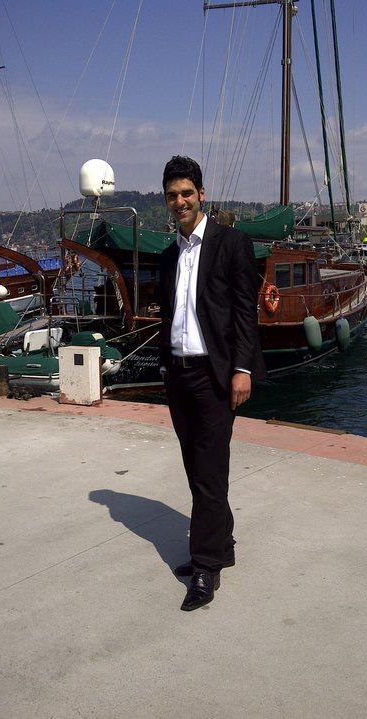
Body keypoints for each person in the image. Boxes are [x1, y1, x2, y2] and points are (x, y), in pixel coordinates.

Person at [159, 156, 265, 611]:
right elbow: (170, 315)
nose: (180, 201)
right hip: (178, 374)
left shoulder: (231, 243)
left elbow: (244, 311)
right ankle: (222, 544)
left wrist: (242, 368)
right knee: (196, 469)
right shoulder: (169, 255)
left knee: (209, 471)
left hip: (215, 374)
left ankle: (206, 568)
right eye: (172, 196)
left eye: (187, 193)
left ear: (201, 194)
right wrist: (164, 367)